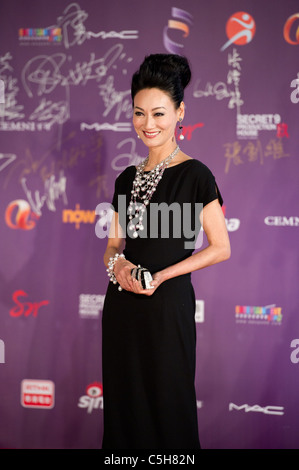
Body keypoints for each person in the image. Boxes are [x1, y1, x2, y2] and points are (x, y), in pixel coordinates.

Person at [101, 53, 231, 450]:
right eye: (139, 114)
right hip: (123, 309)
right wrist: (118, 266)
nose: (148, 124)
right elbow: (112, 244)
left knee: (168, 409)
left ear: (179, 113)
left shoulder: (196, 175)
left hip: (168, 307)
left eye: (158, 113)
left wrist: (163, 276)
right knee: (125, 411)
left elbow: (221, 248)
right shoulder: (126, 178)